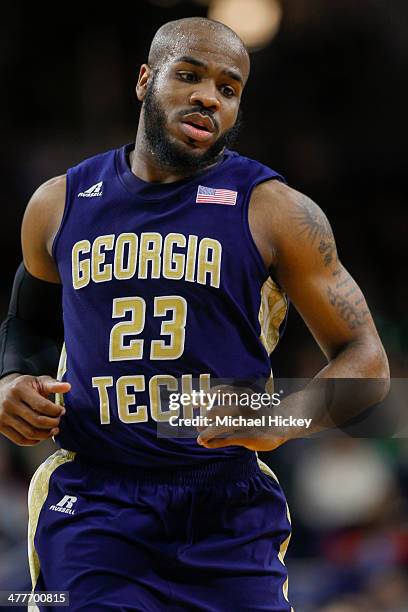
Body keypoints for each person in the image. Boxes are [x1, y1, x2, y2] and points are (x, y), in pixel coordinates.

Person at [0, 16, 389, 612]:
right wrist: (10, 380)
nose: (209, 95)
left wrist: (287, 418)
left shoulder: (276, 211)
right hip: (96, 501)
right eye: (189, 75)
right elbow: (27, 322)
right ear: (143, 81)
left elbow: (368, 362)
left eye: (229, 89)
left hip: (225, 502)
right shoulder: (60, 202)